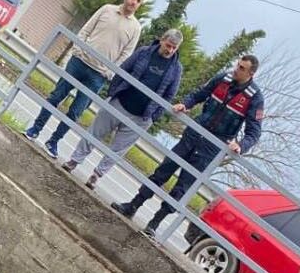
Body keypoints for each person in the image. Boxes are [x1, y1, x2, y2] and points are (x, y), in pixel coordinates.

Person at [111, 54, 264, 239]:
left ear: (250, 74)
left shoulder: (255, 98)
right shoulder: (223, 78)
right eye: (237, 65)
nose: (236, 69)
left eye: (241, 68)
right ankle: (133, 205)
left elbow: (254, 132)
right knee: (162, 170)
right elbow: (199, 94)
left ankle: (154, 224)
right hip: (193, 134)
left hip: (211, 148)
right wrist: (185, 104)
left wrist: (240, 145)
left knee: (183, 187)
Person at [23, 0, 145, 157]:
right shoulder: (107, 9)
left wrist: (109, 72)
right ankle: (35, 129)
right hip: (78, 63)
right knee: (56, 96)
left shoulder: (135, 28)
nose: (134, 2)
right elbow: (86, 30)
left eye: (138, 1)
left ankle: (54, 141)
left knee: (76, 111)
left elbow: (126, 54)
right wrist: (78, 50)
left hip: (98, 76)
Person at [63, 29, 184, 190]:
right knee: (94, 132)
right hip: (120, 101)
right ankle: (74, 160)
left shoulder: (176, 69)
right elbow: (123, 70)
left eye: (174, 48)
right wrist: (113, 92)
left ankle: (96, 175)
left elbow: (169, 95)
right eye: (168, 45)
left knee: (118, 149)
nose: (170, 50)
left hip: (142, 116)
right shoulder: (144, 52)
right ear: (162, 40)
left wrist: (153, 116)